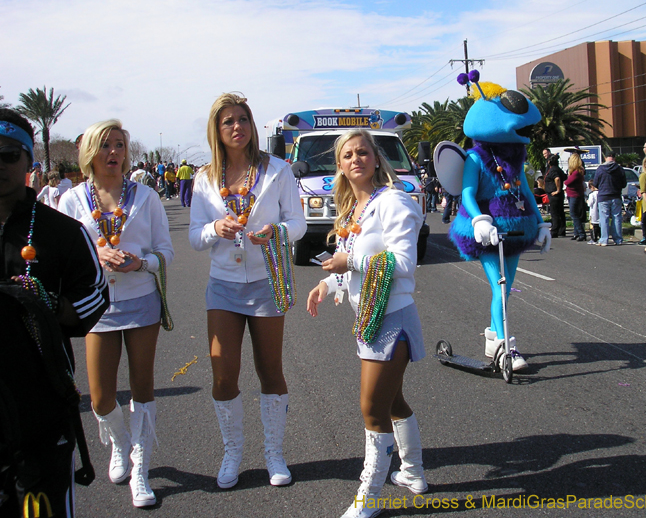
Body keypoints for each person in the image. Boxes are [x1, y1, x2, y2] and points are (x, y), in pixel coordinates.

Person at [306, 129, 427, 518]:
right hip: (368, 317)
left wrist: (350, 263)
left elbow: (404, 263)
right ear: (339, 166)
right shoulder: (353, 211)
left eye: (363, 152)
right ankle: (413, 472)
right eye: (348, 155)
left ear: (376, 159)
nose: (356, 159)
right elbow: (349, 262)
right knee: (392, 401)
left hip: (392, 317)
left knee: (371, 407)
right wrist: (328, 282)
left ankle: (370, 496)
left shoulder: (394, 202)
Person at [189, 92, 305, 490]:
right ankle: (232, 452)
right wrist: (213, 230)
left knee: (270, 369)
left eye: (243, 119)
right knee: (223, 373)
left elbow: (298, 222)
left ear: (252, 126)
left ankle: (274, 453)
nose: (237, 127)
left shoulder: (278, 170)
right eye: (228, 122)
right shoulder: (203, 178)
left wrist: (278, 233)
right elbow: (193, 236)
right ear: (217, 131)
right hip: (223, 285)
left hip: (266, 282)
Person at [0, 108, 109, 518]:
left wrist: (45, 303)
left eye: (9, 154)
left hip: (39, 408)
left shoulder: (62, 232)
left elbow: (95, 296)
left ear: (30, 162)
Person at [59, 119, 174, 507]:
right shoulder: (72, 200)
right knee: (100, 396)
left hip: (142, 301)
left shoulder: (146, 197)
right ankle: (121, 442)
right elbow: (64, 256)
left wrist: (140, 264)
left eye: (120, 145)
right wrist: (96, 254)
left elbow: (166, 252)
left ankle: (140, 468)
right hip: (97, 306)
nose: (114, 153)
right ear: (91, 152)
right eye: (106, 145)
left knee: (142, 387)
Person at [593, 152, 627, 246]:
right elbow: (624, 184)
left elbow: (595, 183)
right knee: (617, 217)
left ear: (605, 158)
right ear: (614, 158)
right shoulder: (619, 169)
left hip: (603, 196)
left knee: (604, 218)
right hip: (616, 195)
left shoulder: (600, 169)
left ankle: (604, 239)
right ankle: (618, 239)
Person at [564, 153, 586, 241]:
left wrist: (567, 178)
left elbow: (567, 182)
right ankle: (576, 233)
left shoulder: (576, 172)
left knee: (574, 214)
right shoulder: (576, 171)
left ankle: (581, 233)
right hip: (572, 194)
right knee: (575, 214)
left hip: (574, 195)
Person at [544, 154, 566, 238]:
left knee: (555, 213)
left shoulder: (553, 170)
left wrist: (558, 190)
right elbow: (564, 177)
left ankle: (554, 230)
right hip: (557, 195)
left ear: (549, 162)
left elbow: (557, 178)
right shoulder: (558, 169)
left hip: (554, 194)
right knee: (560, 212)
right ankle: (561, 229)